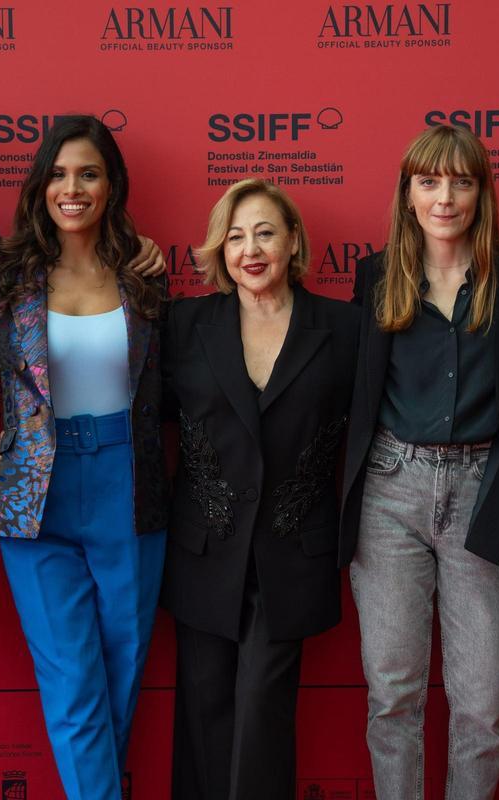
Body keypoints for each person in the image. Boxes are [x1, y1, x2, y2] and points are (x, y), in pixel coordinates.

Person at [339, 124, 499, 800]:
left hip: (482, 488)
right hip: (390, 490)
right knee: (393, 694)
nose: (445, 197)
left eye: (462, 181)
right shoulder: (376, 276)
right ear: (407, 194)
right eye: (429, 181)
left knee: (482, 705)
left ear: (482, 192)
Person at [0, 115, 168, 800]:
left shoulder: (145, 275)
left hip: (129, 486)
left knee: (119, 678)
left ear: (110, 184)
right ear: (39, 185)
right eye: (58, 174)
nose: (72, 188)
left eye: (88, 173)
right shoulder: (5, 276)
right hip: (38, 499)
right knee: (74, 684)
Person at [162, 179, 359, 800]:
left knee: (261, 711)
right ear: (220, 249)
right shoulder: (184, 322)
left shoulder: (345, 327)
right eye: (236, 235)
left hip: (290, 551)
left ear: (294, 241)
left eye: (265, 232)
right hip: (204, 547)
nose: (250, 248)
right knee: (204, 711)